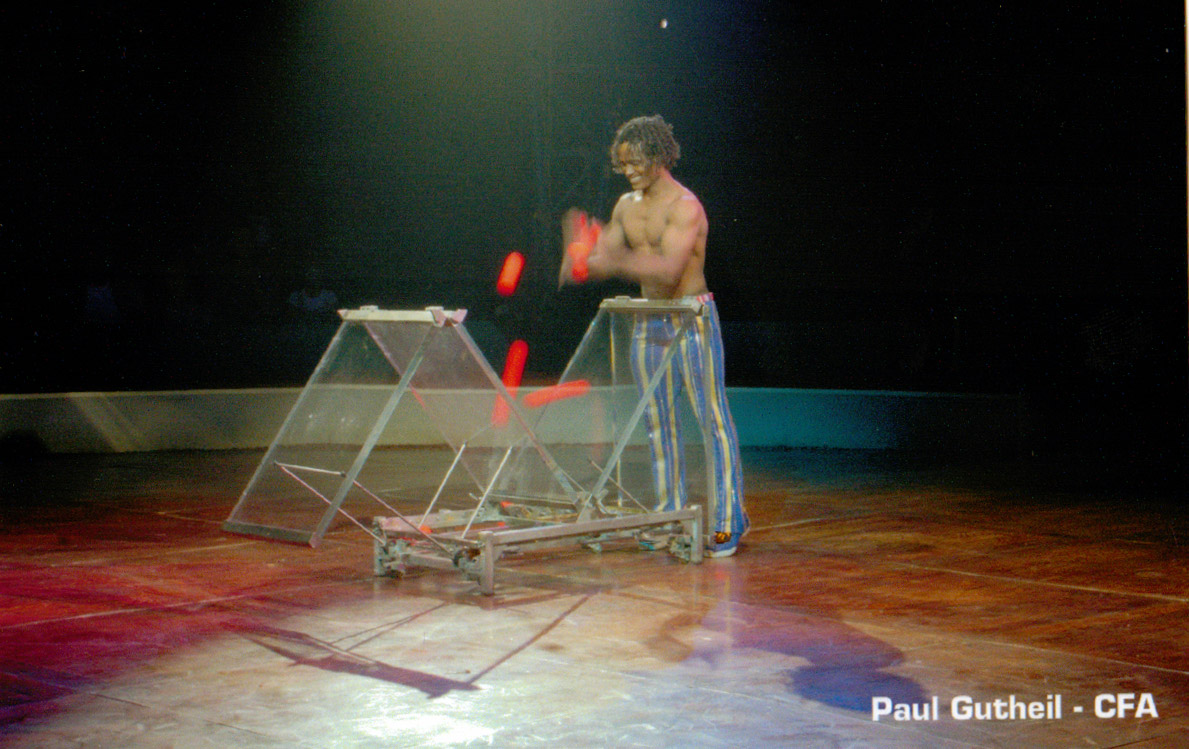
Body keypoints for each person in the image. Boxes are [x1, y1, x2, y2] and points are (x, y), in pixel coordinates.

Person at [558, 114, 749, 557]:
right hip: (649, 321)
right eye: (623, 163)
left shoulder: (685, 207)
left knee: (713, 421)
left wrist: (612, 259)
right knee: (657, 422)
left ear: (659, 156)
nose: (628, 171)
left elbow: (667, 270)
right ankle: (668, 517)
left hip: (691, 319)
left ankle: (728, 522)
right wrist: (579, 258)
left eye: (636, 162)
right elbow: (605, 259)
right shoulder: (626, 206)